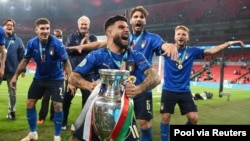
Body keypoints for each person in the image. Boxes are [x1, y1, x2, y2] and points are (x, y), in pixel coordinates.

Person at [66, 6, 178, 140]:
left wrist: (138, 89)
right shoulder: (97, 56)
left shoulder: (136, 56)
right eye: (121, 27)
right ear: (109, 33)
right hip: (102, 106)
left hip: (125, 109)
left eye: (126, 28)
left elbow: (155, 77)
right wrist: (89, 85)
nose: (126, 30)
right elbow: (73, 77)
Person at [160, 25, 245, 141]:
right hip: (168, 90)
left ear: (187, 37)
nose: (181, 36)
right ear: (174, 37)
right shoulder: (167, 48)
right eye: (178, 34)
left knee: (194, 119)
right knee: (165, 118)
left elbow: (211, 50)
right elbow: (153, 46)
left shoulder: (192, 51)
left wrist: (229, 43)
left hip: (184, 90)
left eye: (184, 34)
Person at [9, 18, 75, 141]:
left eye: (47, 28)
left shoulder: (57, 44)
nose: (45, 31)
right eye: (42, 28)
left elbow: (66, 62)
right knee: (30, 103)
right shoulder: (31, 43)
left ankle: (57, 136)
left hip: (56, 79)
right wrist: (15, 76)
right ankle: (33, 133)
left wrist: (70, 81)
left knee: (58, 106)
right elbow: (24, 61)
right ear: (36, 30)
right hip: (39, 78)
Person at [62, 15, 97, 131]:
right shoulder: (72, 37)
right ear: (78, 25)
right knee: (66, 99)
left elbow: (96, 52)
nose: (83, 26)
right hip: (74, 73)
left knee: (87, 101)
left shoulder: (93, 38)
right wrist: (83, 44)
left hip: (88, 74)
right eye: (82, 24)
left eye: (85, 24)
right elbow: (69, 50)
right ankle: (63, 122)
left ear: (89, 25)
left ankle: (83, 124)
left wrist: (87, 43)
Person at [0, 19, 26, 120]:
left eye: (12, 25)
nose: (10, 26)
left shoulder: (18, 40)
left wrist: (23, 69)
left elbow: (22, 56)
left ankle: (12, 112)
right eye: (7, 25)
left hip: (12, 71)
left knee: (12, 93)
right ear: (3, 27)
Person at [37, 28, 64, 124]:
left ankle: (53, 117)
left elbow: (65, 61)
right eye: (56, 36)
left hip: (57, 78)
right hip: (48, 78)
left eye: (59, 36)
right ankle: (42, 117)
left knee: (56, 100)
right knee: (45, 98)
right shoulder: (47, 46)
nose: (58, 38)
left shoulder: (61, 47)